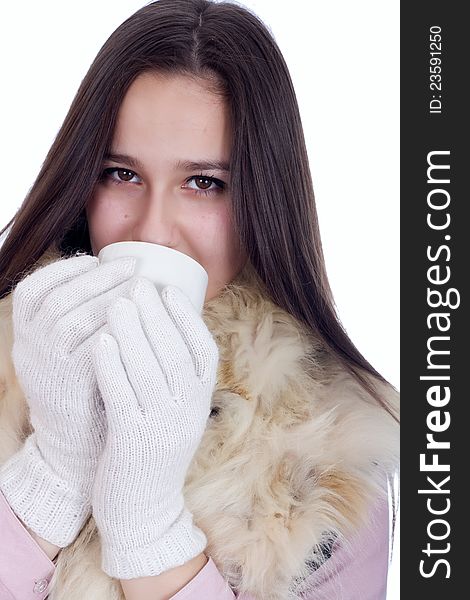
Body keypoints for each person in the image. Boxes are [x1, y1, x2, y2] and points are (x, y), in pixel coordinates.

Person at [0, 0, 399, 598]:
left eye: (204, 183)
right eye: (121, 173)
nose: (153, 229)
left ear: (263, 202)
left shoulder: (332, 464)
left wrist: (151, 534)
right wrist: (53, 476)